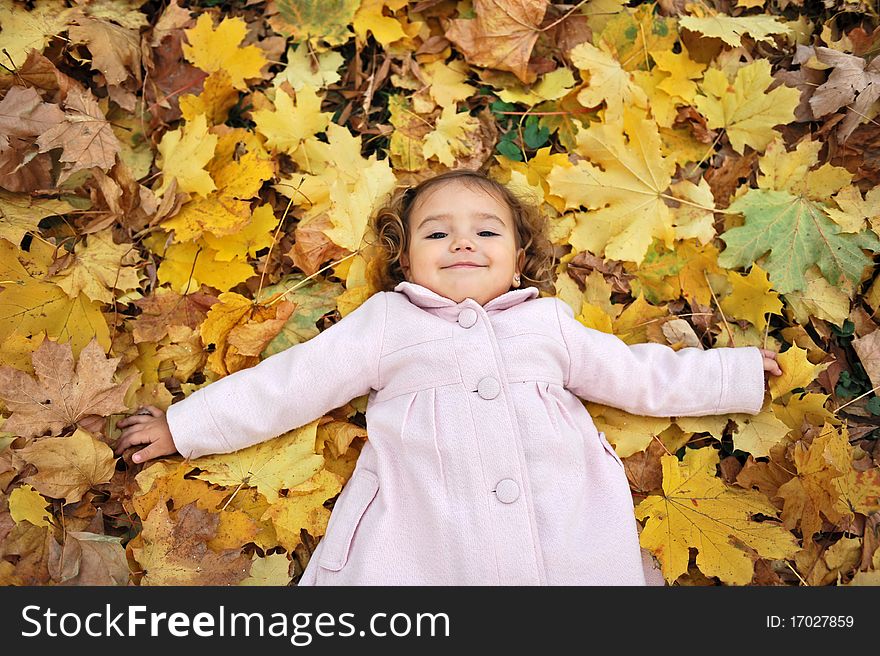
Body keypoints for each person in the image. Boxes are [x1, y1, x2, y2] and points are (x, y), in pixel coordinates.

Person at [115, 169, 783, 585]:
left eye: (486, 232)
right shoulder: (387, 323)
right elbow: (291, 382)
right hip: (425, 523)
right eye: (437, 235)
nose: (463, 243)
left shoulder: (547, 324)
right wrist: (185, 426)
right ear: (404, 259)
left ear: (521, 260)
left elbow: (640, 376)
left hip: (562, 523)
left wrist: (733, 374)